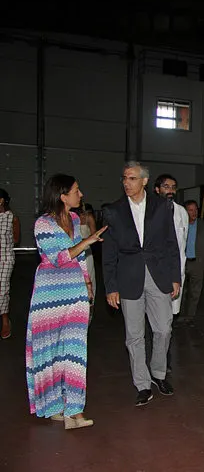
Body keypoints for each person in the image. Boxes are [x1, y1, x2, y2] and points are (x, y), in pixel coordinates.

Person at [26, 174, 106, 429]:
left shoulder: (74, 219)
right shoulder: (43, 224)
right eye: (76, 190)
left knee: (75, 351)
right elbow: (58, 257)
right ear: (62, 196)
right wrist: (87, 242)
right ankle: (52, 407)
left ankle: (74, 411)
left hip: (75, 293)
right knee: (48, 352)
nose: (80, 195)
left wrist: (88, 284)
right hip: (49, 295)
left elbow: (79, 259)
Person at [102, 161, 181, 406]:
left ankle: (158, 373)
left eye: (132, 178)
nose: (127, 183)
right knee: (134, 335)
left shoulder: (162, 206)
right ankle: (142, 384)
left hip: (158, 275)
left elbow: (171, 243)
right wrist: (111, 286)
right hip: (128, 278)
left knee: (163, 329)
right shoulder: (114, 211)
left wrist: (175, 277)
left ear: (145, 181)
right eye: (124, 178)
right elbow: (109, 251)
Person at [153, 174, 188, 318]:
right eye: (166, 187)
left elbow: (182, 244)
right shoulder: (149, 211)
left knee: (170, 314)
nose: (170, 191)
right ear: (157, 189)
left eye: (173, 188)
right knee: (153, 312)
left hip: (175, 269)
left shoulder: (181, 212)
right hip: (154, 269)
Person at [180, 200, 204, 323]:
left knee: (195, 291)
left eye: (196, 210)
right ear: (185, 211)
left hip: (198, 263)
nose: (194, 213)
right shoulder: (180, 224)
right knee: (182, 291)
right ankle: (180, 314)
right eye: (191, 210)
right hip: (183, 263)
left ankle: (190, 316)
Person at [0, 188, 20, 339]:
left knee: (2, 289)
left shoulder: (11, 217)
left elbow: (16, 239)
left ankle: (5, 321)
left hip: (5, 257)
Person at [75, 203, 98, 304]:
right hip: (73, 253)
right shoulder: (68, 217)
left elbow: (94, 235)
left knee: (89, 277)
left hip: (86, 253)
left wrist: (83, 241)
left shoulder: (88, 217)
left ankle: (90, 303)